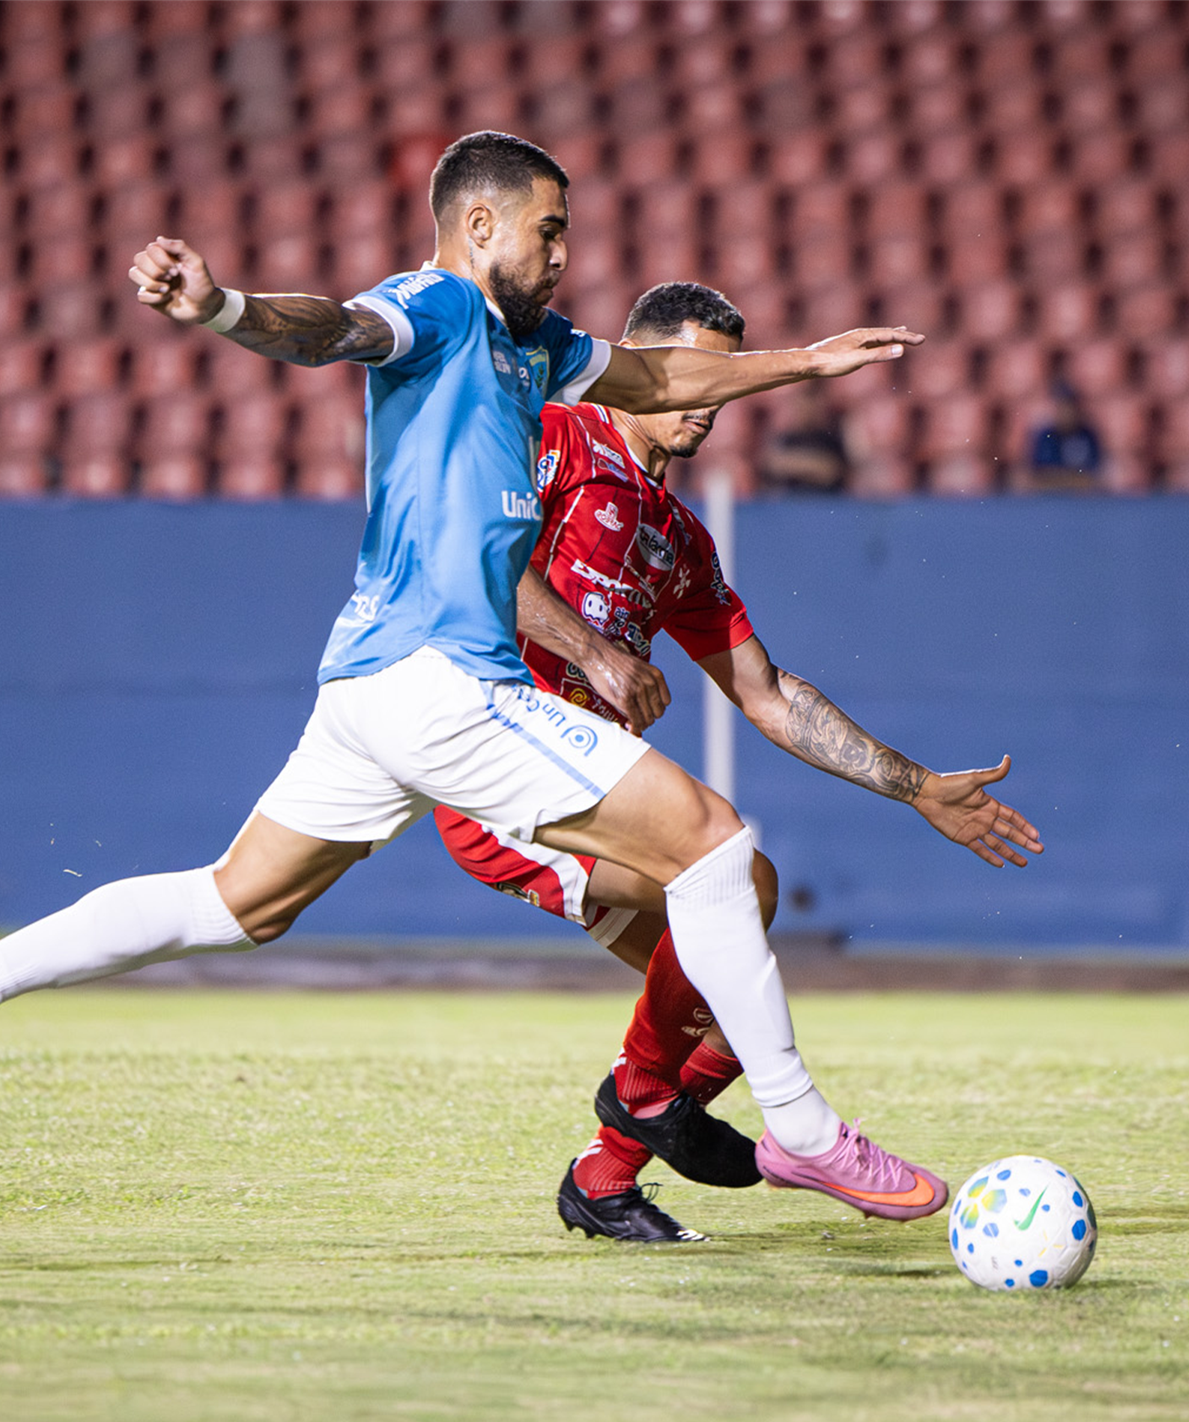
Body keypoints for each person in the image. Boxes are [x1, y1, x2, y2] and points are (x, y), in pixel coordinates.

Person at [0, 132, 984, 1233]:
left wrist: (803, 361)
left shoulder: (535, 350)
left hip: (368, 688)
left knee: (233, 903)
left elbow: (649, 369)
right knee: (719, 845)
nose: (562, 255)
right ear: (477, 223)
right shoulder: (435, 306)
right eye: (548, 231)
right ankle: (799, 1127)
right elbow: (329, 328)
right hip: (446, 681)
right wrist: (223, 308)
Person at [433, 281, 1044, 1241]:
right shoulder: (553, 439)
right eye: (696, 373)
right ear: (641, 360)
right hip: (498, 778)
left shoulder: (678, 539)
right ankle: (645, 1108)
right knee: (738, 880)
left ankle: (603, 1178)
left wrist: (920, 788)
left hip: (587, 797)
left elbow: (767, 693)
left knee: (727, 998)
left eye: (726, 378)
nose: (712, 398)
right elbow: (470, 560)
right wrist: (596, 654)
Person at [757, 382, 848, 491]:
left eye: (809, 401)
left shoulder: (832, 435)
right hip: (788, 504)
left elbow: (831, 471)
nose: (802, 408)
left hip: (826, 503)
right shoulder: (787, 438)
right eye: (797, 402)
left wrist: (791, 464)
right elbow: (770, 465)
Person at [1022, 380, 1102, 491]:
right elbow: (1037, 477)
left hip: (1080, 502)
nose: (1066, 412)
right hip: (1047, 500)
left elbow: (1093, 477)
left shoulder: (1088, 435)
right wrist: (1071, 479)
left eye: (1070, 407)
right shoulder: (1046, 436)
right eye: (1062, 407)